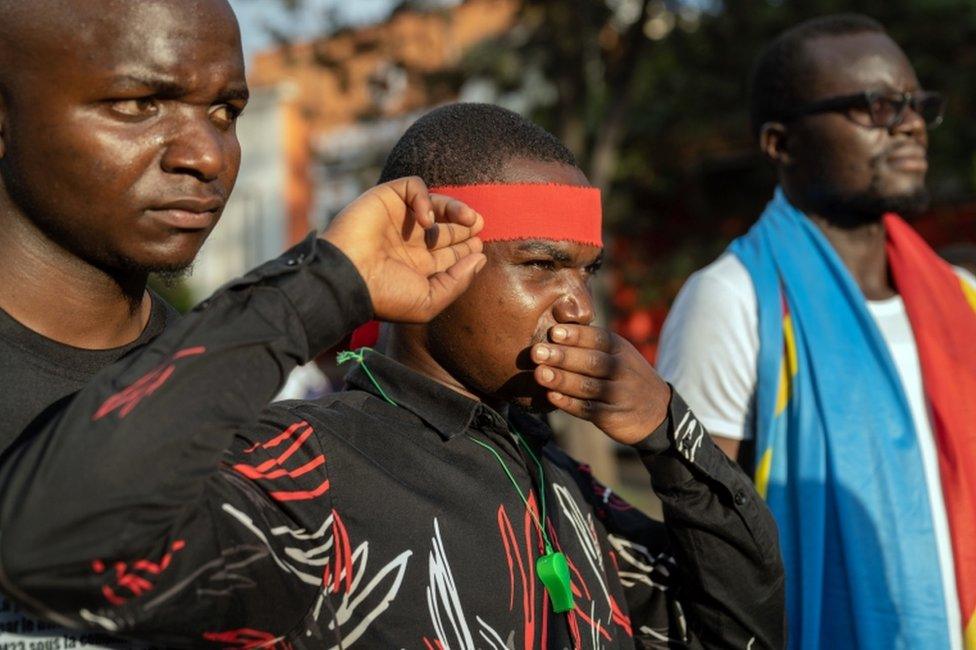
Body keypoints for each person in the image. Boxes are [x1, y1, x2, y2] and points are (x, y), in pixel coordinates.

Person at [0, 103, 786, 648]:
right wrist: (324, 283)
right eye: (541, 265)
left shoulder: (563, 484)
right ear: (432, 256)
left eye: (586, 271)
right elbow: (51, 543)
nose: (576, 306)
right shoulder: (304, 469)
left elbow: (738, 630)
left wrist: (668, 433)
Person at [657, 14, 976, 649]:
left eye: (915, 105)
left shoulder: (962, 298)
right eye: (877, 106)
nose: (909, 123)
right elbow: (704, 544)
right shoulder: (732, 301)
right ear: (781, 143)